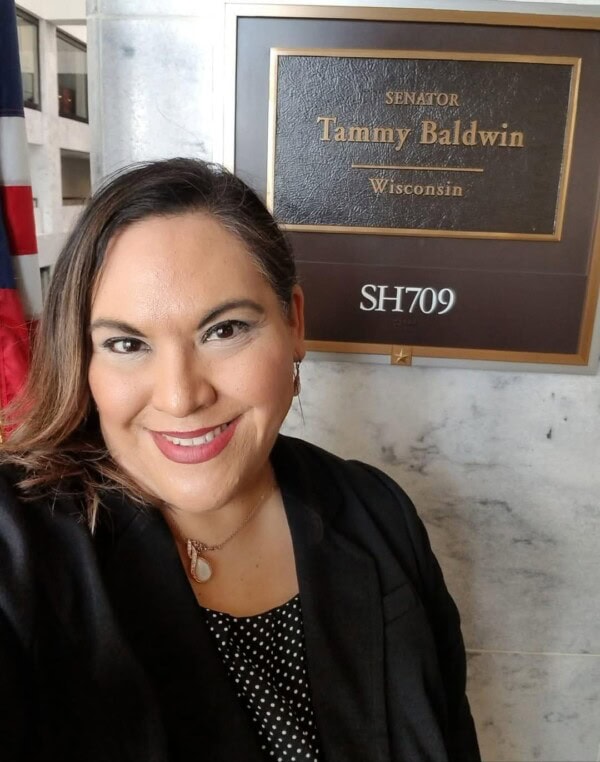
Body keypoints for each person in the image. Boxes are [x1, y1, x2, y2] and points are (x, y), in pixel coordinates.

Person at [0, 158, 479, 762]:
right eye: (127, 344)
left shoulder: (377, 514)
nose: (181, 395)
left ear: (294, 323)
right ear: (83, 358)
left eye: (223, 331)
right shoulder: (18, 542)